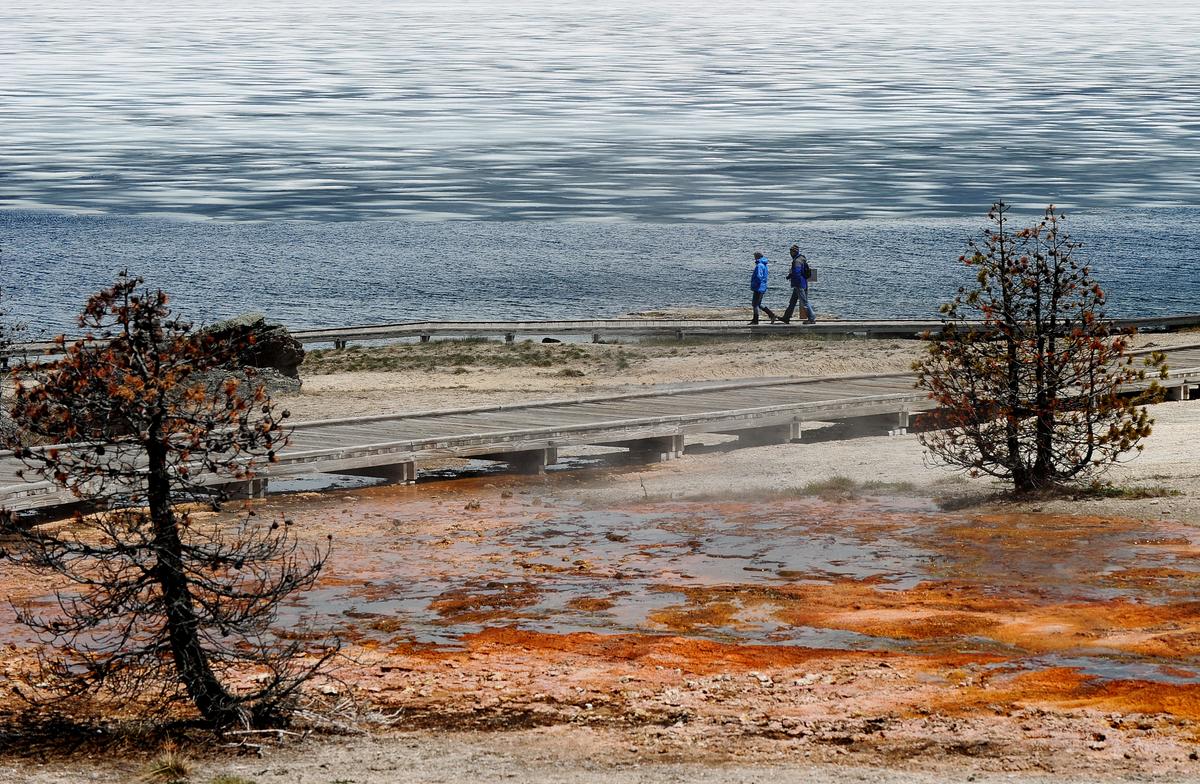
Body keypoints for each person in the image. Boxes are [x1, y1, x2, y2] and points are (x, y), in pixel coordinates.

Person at [781, 244, 816, 324]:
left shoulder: (797, 261)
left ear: (794, 252)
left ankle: (811, 318)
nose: (790, 254)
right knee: (792, 302)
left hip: (799, 284)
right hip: (803, 283)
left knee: (804, 302)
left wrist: (792, 278)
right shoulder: (801, 259)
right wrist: (790, 275)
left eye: (791, 252)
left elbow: (797, 272)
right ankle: (786, 317)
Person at [749, 251, 777, 325]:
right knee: (758, 304)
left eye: (755, 256)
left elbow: (759, 277)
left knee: (755, 304)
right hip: (762, 286)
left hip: (758, 287)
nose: (754, 258)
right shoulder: (764, 265)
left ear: (757, 257)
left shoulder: (759, 265)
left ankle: (755, 320)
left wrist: (755, 284)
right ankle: (771, 315)